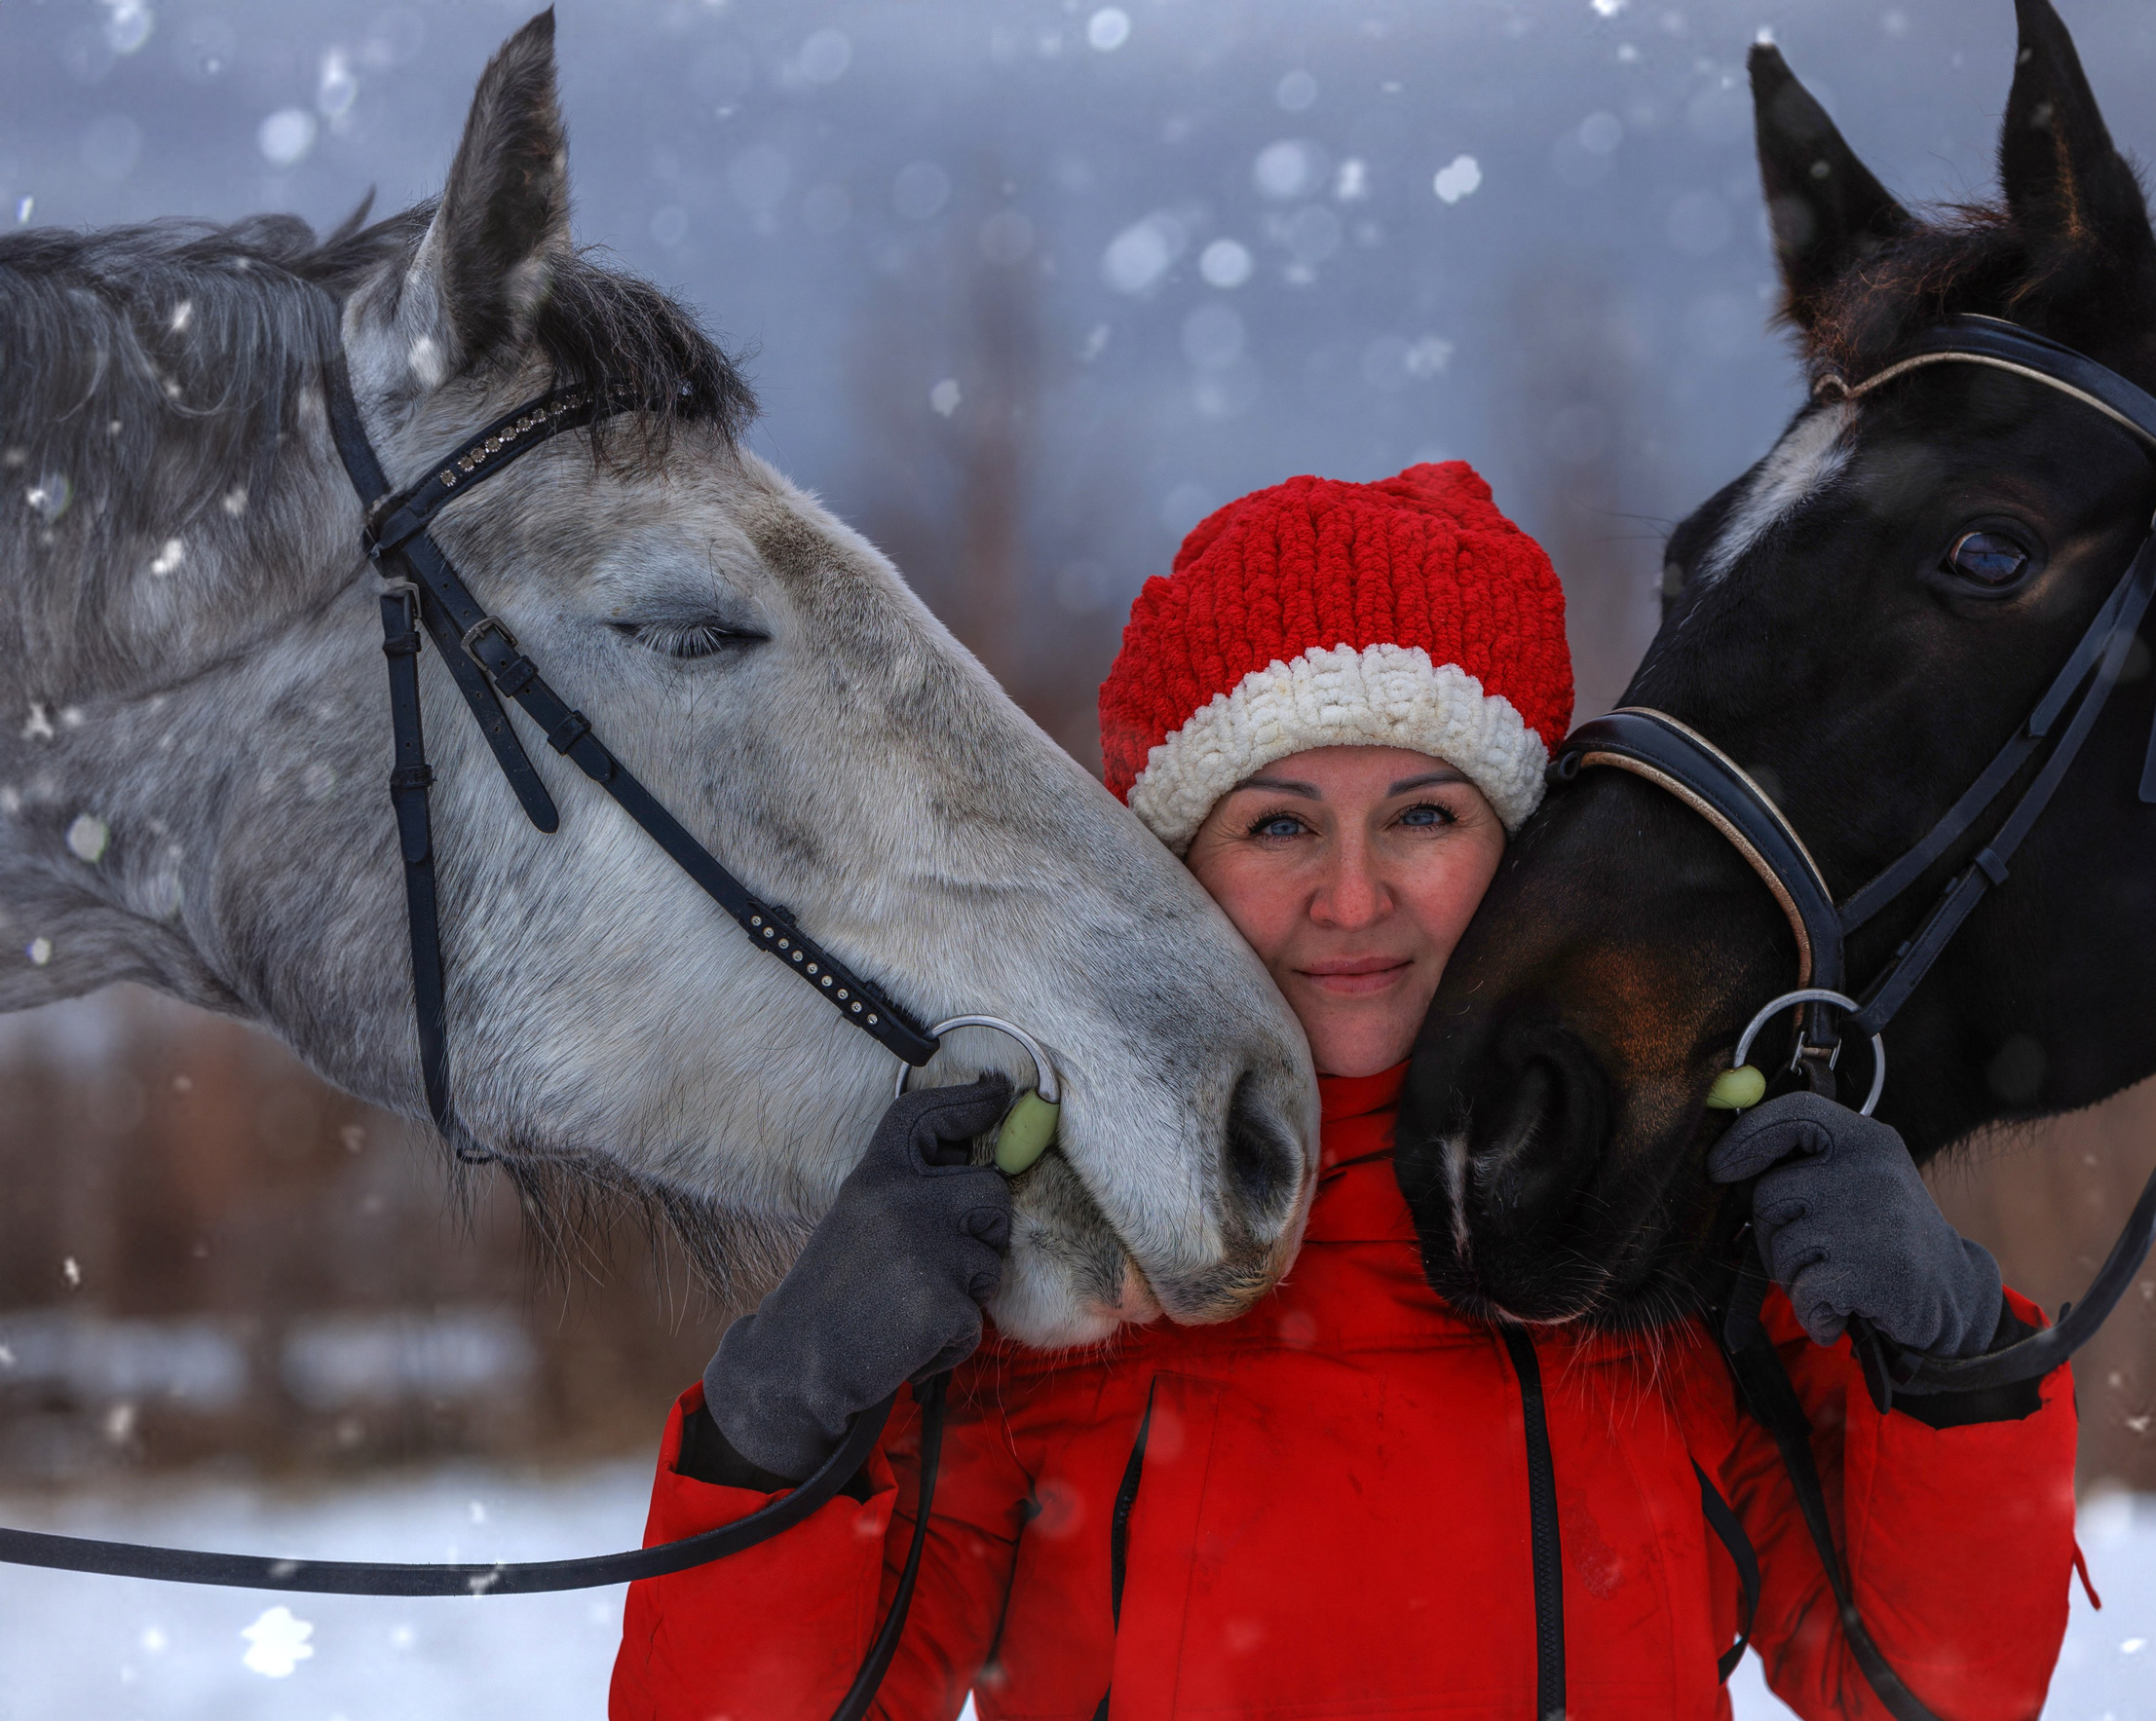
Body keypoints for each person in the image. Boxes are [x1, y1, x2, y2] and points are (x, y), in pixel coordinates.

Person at [610, 463, 2081, 1720]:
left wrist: (1943, 1360)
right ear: (1178, 869)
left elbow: (1936, 1683)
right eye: (1278, 824)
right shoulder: (1056, 1259)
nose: (1353, 895)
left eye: (1426, 816)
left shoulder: (1657, 1231)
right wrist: (781, 1414)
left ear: (1522, 851)